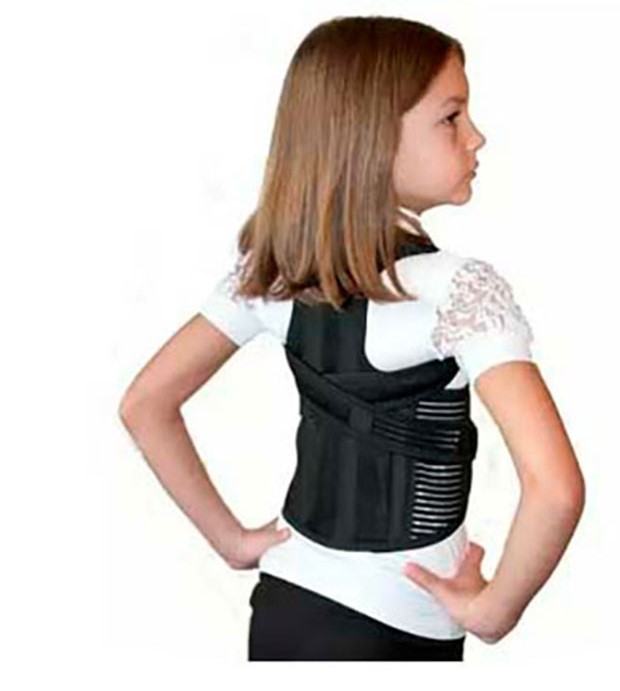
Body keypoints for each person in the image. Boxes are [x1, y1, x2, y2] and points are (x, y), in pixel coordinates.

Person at [119, 16, 585, 662]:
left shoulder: (271, 275)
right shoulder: (456, 289)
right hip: (393, 633)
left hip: (285, 608)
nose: (476, 136)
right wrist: (493, 610)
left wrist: (232, 541)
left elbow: (145, 403)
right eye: (451, 117)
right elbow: (556, 488)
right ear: (374, 138)